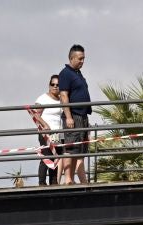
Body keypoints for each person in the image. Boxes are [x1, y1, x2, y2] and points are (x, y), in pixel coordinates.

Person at [58, 45, 91, 185]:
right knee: (71, 148)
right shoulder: (66, 73)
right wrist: (69, 116)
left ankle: (72, 179)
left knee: (80, 149)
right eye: (80, 58)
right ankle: (68, 179)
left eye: (83, 58)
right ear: (72, 58)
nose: (82, 61)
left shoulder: (78, 73)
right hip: (73, 115)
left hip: (83, 116)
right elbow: (64, 95)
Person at [33, 75, 65, 185]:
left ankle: (54, 181)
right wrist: (44, 124)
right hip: (46, 133)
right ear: (49, 85)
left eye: (58, 84)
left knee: (56, 157)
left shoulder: (62, 98)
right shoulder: (43, 98)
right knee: (46, 157)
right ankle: (42, 183)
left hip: (58, 133)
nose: (55, 86)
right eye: (53, 84)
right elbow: (35, 114)